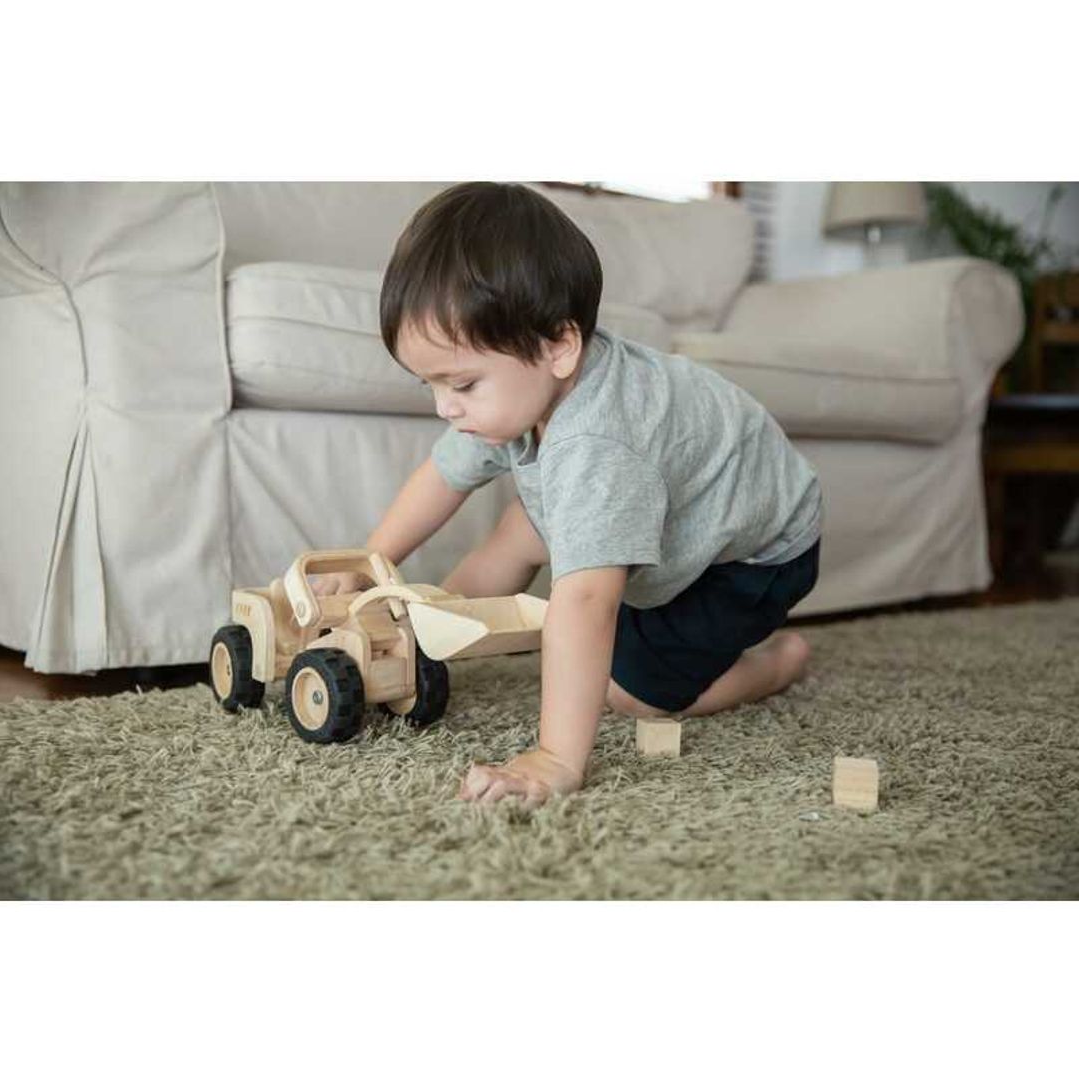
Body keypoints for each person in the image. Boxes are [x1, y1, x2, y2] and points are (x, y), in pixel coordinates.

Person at [313, 182, 822, 807]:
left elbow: (584, 602)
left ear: (559, 346)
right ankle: (424, 635)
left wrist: (554, 757)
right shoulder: (518, 392)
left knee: (630, 691)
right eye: (431, 385)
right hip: (676, 502)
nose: (446, 407)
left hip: (753, 557)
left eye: (463, 385)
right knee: (519, 531)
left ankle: (778, 661)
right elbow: (442, 477)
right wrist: (369, 565)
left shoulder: (599, 444)